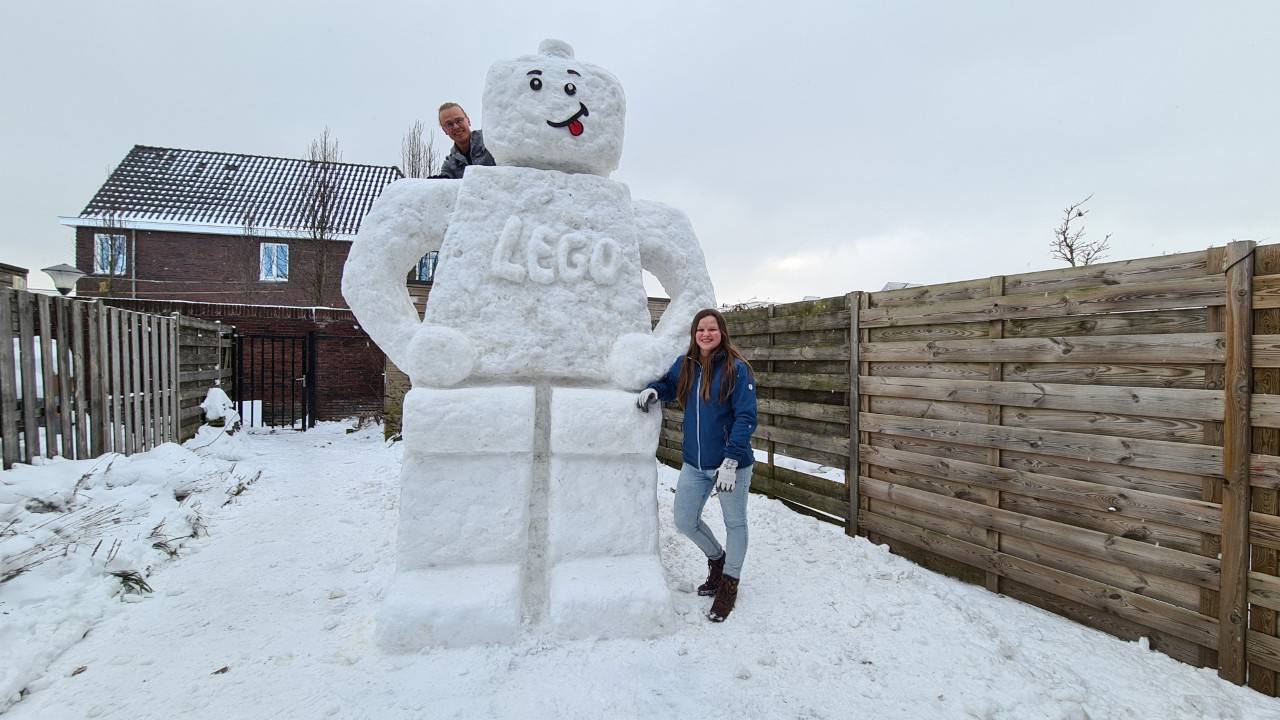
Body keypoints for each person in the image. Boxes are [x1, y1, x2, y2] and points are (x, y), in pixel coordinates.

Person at [636, 308, 757, 622]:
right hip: (695, 463)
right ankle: (718, 561)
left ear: (722, 333)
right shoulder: (686, 364)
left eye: (712, 329)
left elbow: (746, 418)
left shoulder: (737, 369)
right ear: (694, 333)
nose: (706, 334)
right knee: (684, 520)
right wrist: (653, 390)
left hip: (730, 465)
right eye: (701, 329)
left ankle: (729, 583)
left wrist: (730, 460)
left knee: (736, 524)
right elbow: (668, 385)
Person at [434, 102, 496, 179]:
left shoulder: (491, 140)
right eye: (449, 124)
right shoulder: (450, 165)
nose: (456, 127)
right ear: (444, 130)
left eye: (459, 120)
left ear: (468, 121)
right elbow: (445, 185)